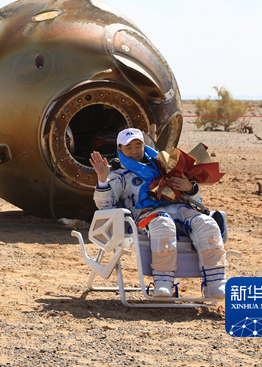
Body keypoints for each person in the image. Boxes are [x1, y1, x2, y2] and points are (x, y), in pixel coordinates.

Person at [89, 128, 227, 299]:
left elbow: (193, 199)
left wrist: (189, 188)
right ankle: (163, 282)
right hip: (146, 216)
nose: (134, 151)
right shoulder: (119, 175)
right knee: (163, 225)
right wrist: (103, 179)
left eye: (138, 145)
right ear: (120, 149)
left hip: (178, 210)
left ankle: (215, 283)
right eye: (128, 147)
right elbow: (105, 206)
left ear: (144, 145)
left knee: (207, 223)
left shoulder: (163, 165)